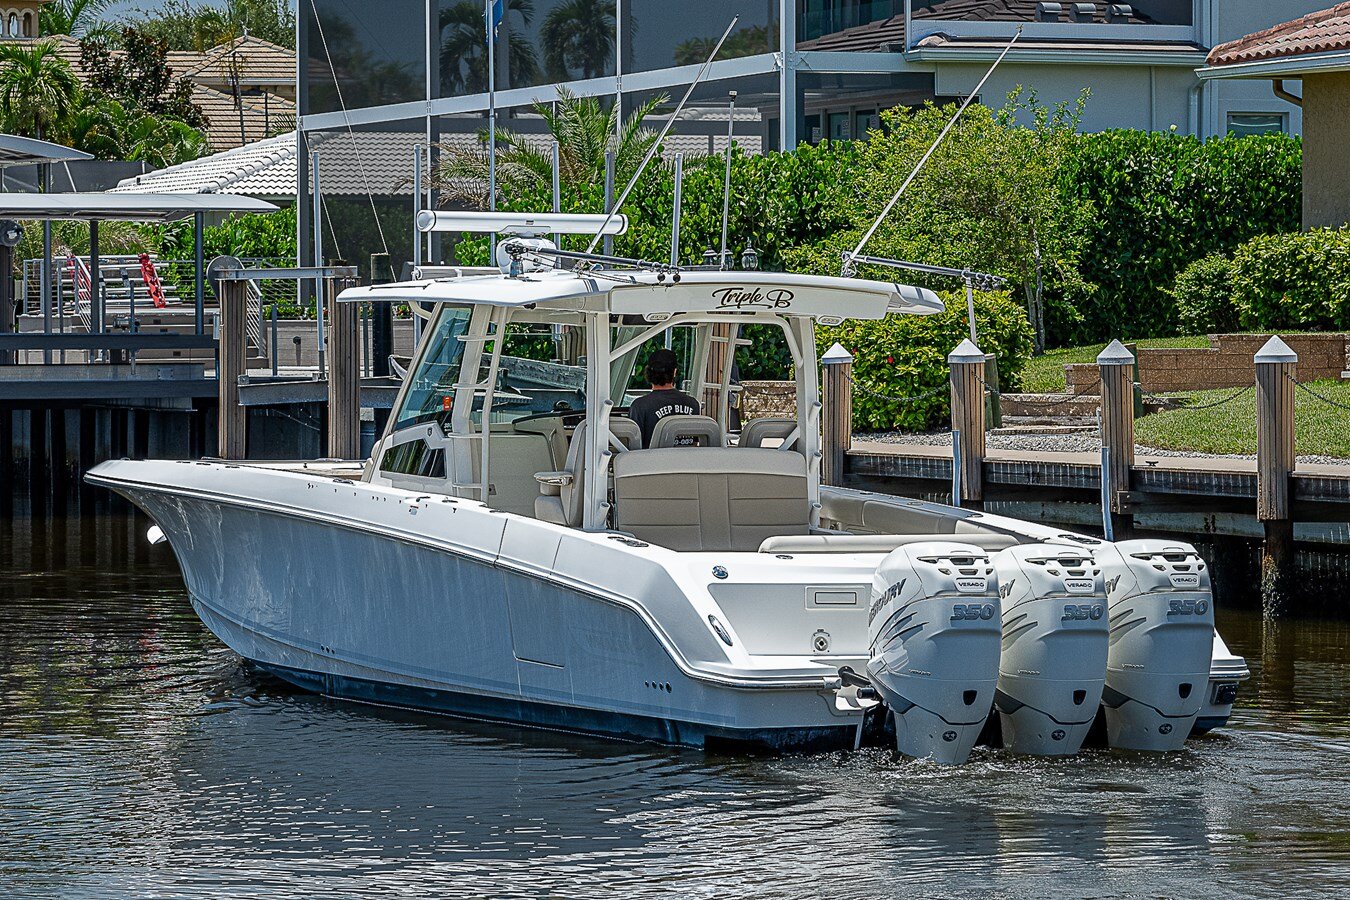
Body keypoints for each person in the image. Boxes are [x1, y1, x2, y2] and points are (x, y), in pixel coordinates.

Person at [628, 348, 701, 448]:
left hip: (651, 462)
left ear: (648, 372)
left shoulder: (640, 406)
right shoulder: (693, 404)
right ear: (674, 372)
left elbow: (633, 445)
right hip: (686, 462)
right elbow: (695, 441)